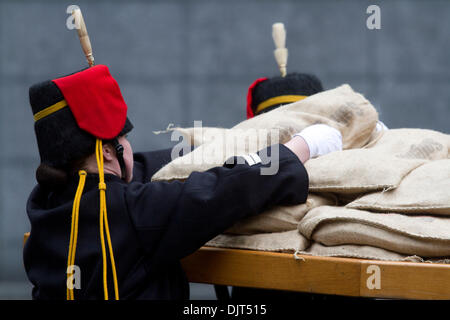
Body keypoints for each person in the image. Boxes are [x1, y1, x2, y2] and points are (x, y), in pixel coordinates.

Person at [23, 65, 342, 300]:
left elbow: (153, 169)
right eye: (124, 138)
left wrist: (222, 148)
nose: (130, 147)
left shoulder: (47, 202)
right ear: (108, 152)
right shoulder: (131, 211)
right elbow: (221, 190)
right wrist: (298, 148)